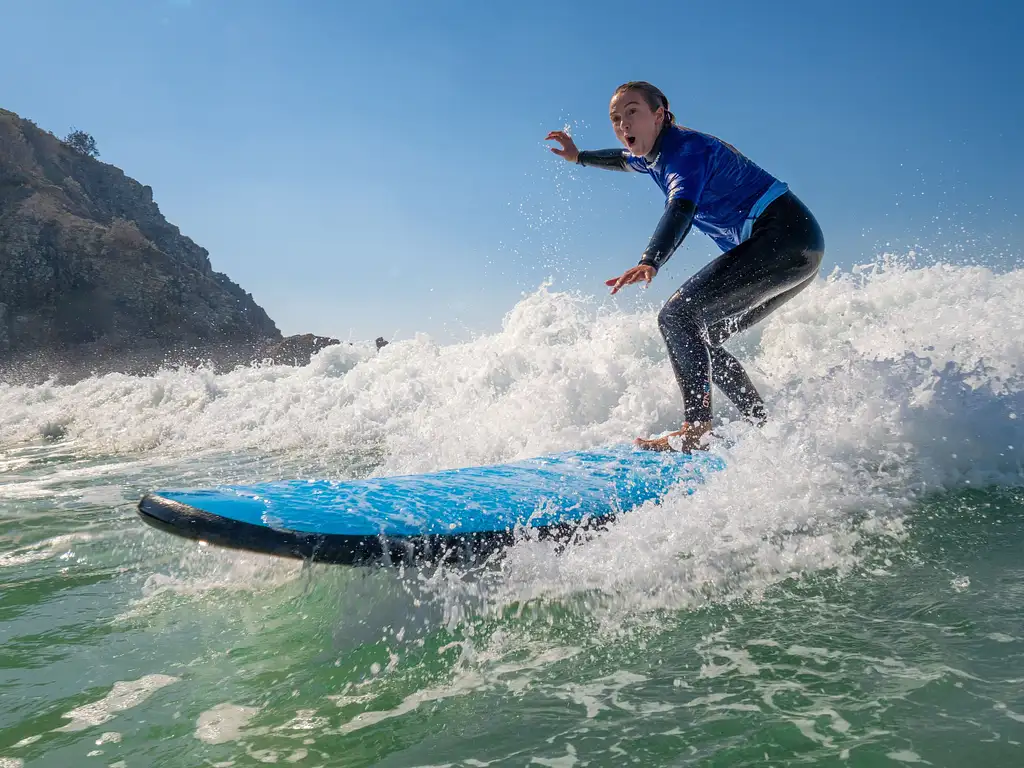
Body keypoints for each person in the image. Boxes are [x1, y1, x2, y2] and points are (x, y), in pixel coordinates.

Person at [546, 81, 825, 452]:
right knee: (702, 335)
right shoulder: (652, 157)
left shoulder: (685, 153)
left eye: (632, 112)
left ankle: (696, 429)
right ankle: (762, 425)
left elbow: (680, 207)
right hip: (799, 251)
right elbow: (621, 159)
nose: (623, 124)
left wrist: (650, 260)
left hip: (784, 237)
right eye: (615, 118)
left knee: (676, 317)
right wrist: (579, 156)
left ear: (659, 115)